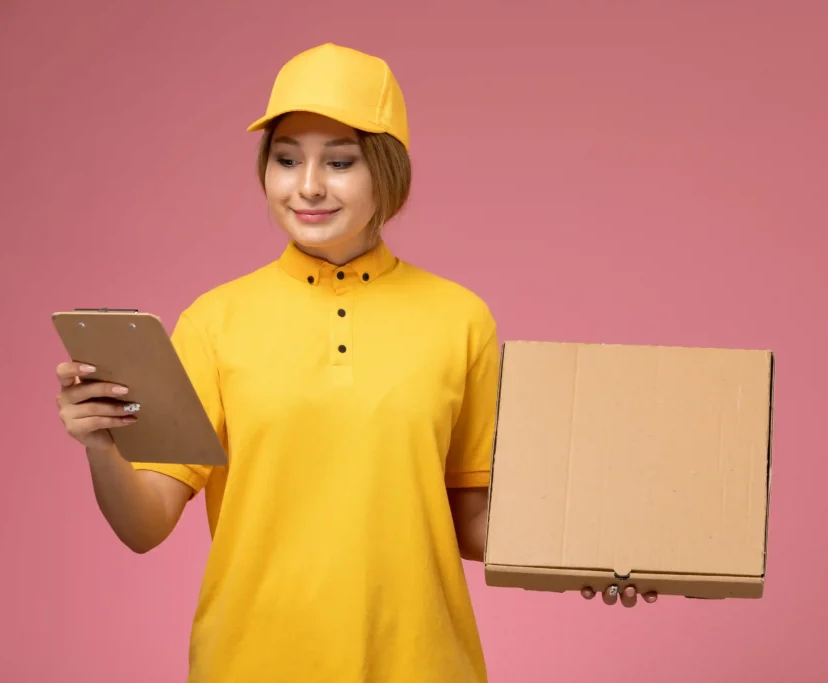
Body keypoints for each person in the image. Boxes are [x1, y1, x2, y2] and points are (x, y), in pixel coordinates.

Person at [53, 43, 655, 683]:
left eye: (340, 162)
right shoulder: (214, 321)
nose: (308, 185)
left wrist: (595, 553)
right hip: (252, 665)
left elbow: (469, 520)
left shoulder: (460, 319)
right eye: (286, 160)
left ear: (387, 172)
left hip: (421, 665)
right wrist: (103, 448)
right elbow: (144, 526)